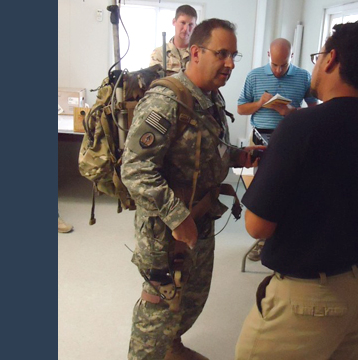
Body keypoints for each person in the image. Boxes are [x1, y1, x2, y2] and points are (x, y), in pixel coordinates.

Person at [235, 21, 358, 360]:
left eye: (318, 55)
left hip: (313, 299)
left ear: (331, 59)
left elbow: (257, 226)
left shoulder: (299, 128)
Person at [122, 18, 262, 360]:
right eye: (222, 53)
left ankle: (172, 347)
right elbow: (135, 168)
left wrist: (237, 155)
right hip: (165, 228)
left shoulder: (211, 99)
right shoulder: (166, 101)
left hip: (201, 217)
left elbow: (205, 152)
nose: (230, 63)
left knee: (193, 296)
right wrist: (176, 216)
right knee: (160, 304)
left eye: (234, 55)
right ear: (196, 52)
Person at [237, 38, 318, 261]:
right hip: (260, 137)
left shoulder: (303, 76)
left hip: (291, 138)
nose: (279, 70)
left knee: (288, 191)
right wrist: (260, 103)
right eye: (274, 65)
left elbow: (315, 110)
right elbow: (241, 108)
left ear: (291, 57)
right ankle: (261, 240)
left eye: (283, 65)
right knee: (260, 192)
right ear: (268, 56)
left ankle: (280, 239)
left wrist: (290, 111)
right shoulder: (254, 76)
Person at [149, 5, 197, 75]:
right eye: (183, 23)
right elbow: (154, 82)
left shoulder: (198, 54)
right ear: (174, 22)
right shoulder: (159, 53)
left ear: (195, 26)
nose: (186, 29)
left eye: (190, 25)